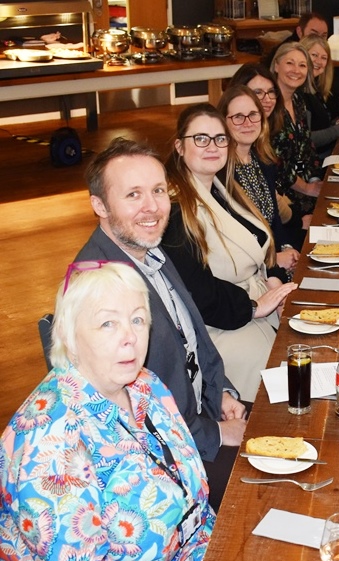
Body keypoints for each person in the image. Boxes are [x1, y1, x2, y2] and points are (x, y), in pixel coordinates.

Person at [0, 262, 214, 561]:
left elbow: (191, 493)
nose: (129, 337)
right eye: (107, 323)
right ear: (70, 338)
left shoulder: (146, 389)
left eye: (138, 319)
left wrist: (214, 560)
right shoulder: (49, 437)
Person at [75, 137, 247, 508]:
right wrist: (215, 434)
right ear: (99, 205)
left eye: (157, 190)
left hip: (196, 416)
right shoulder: (100, 289)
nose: (152, 207)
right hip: (163, 462)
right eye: (133, 195)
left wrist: (223, 394)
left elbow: (193, 339)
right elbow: (139, 415)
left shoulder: (147, 250)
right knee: (269, 482)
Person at [162, 104, 296, 402]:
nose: (213, 147)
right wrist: (252, 307)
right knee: (285, 394)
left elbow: (262, 242)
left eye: (220, 139)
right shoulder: (176, 209)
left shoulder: (221, 188)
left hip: (254, 306)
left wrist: (272, 285)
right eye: (201, 138)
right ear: (179, 146)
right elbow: (195, 292)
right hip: (220, 327)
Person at [217, 83, 300, 276]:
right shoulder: (221, 172)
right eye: (238, 117)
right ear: (223, 122)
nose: (247, 123)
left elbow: (274, 221)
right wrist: (274, 260)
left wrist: (286, 247)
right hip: (252, 273)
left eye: (253, 115)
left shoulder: (263, 161)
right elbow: (232, 243)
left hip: (275, 260)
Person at [270, 41, 323, 248]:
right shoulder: (269, 107)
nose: (296, 70)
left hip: (300, 190)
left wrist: (314, 178)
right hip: (282, 202)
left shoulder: (298, 100)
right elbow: (276, 163)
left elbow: (305, 148)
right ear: (276, 66)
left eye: (302, 65)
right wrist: (307, 188)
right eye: (290, 63)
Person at [299, 34, 339, 159]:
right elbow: (306, 139)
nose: (318, 61)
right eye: (314, 55)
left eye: (324, 58)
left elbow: (322, 123)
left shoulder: (317, 89)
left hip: (327, 154)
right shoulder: (298, 93)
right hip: (317, 162)